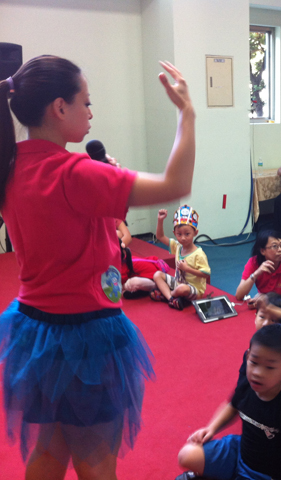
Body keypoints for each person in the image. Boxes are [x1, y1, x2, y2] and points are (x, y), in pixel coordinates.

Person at [0, 56, 193, 478]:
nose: (91, 112)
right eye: (85, 102)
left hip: (35, 331)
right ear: (59, 107)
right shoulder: (75, 173)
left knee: (48, 453)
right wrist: (187, 114)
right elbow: (177, 184)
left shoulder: (11, 167)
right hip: (85, 334)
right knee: (96, 463)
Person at [176, 325, 281, 480]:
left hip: (262, 474)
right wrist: (211, 428)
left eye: (270, 367)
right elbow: (232, 406)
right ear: (247, 356)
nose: (257, 373)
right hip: (238, 452)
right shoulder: (248, 384)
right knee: (187, 455)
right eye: (254, 362)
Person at [151, 205, 211, 310]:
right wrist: (160, 220)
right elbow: (160, 236)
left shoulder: (199, 254)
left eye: (187, 234)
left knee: (182, 289)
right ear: (174, 233)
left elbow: (206, 274)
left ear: (195, 233)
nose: (183, 238)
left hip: (194, 290)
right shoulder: (177, 246)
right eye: (179, 234)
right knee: (157, 275)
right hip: (178, 283)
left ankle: (167, 295)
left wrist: (187, 269)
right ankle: (171, 299)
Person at [236, 229, 281, 304]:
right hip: (267, 304)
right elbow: (239, 295)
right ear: (262, 251)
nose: (280, 249)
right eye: (275, 246)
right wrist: (256, 274)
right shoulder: (253, 262)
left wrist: (263, 300)